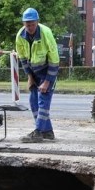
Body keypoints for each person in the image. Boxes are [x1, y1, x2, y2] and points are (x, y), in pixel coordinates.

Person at [15, 8, 60, 143]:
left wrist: (47, 81)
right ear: (24, 24)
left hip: (47, 72)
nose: (30, 27)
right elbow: (22, 58)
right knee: (33, 101)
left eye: (33, 24)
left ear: (37, 22)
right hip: (34, 73)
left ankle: (38, 132)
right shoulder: (20, 36)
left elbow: (54, 60)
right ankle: (48, 132)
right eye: (27, 24)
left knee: (43, 101)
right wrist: (29, 77)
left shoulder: (46, 34)